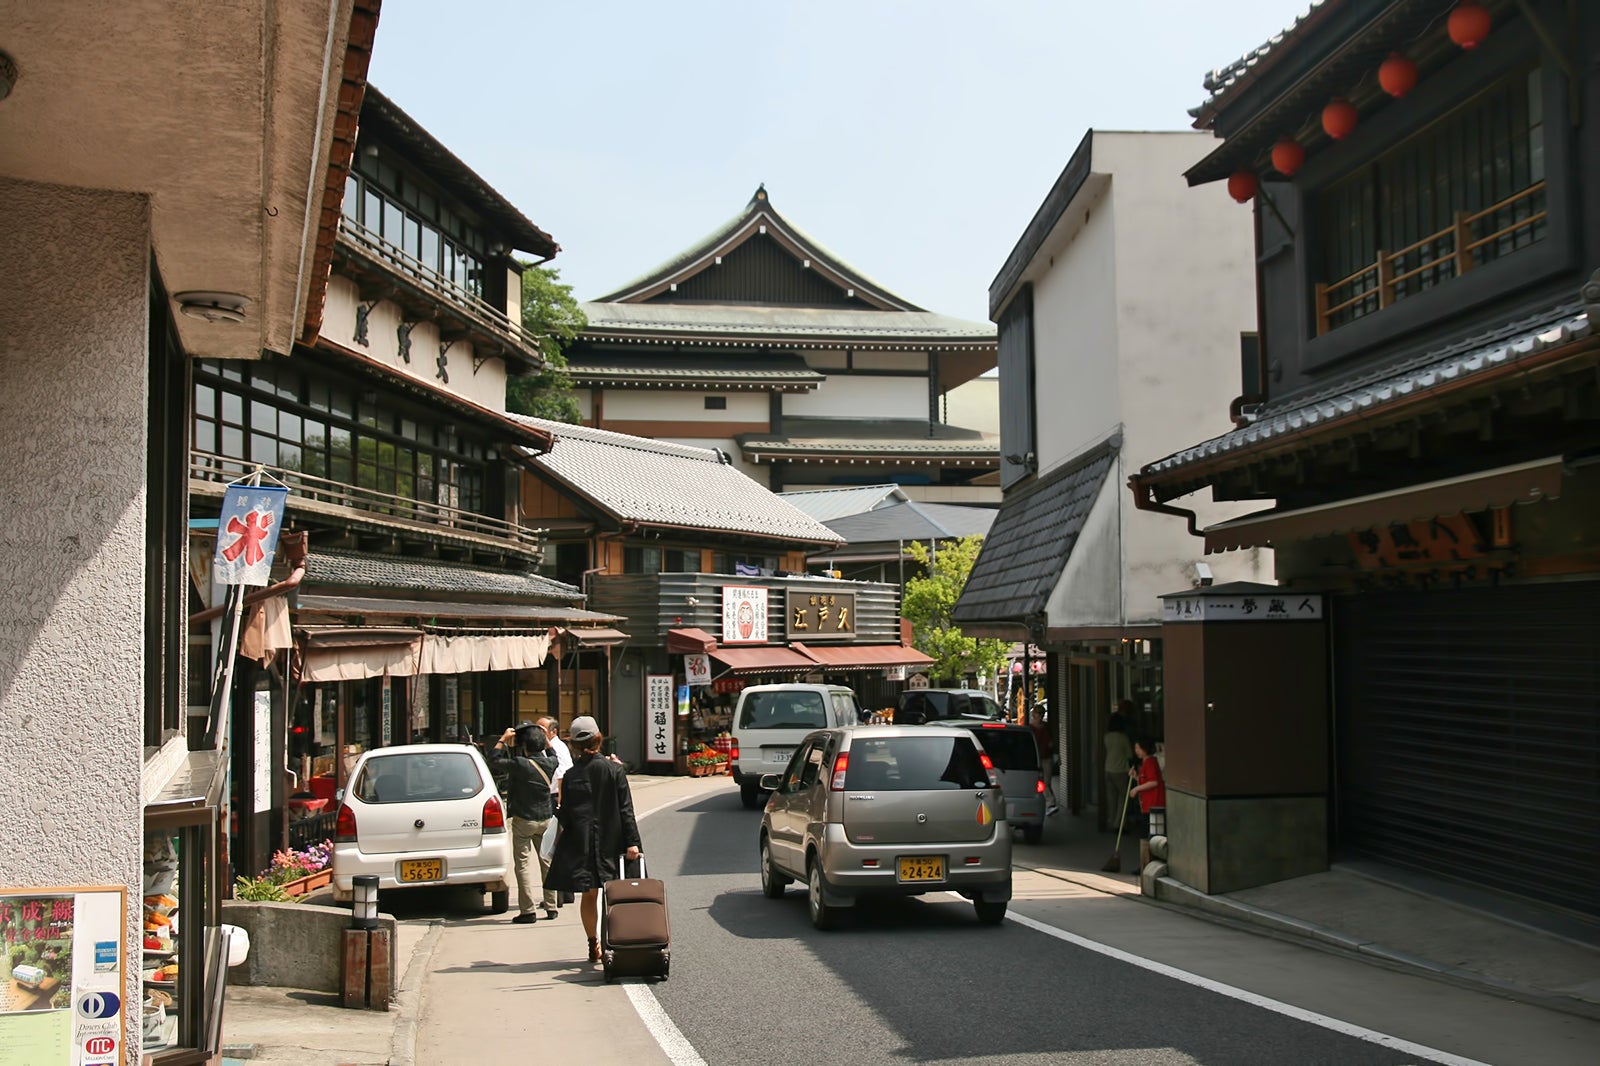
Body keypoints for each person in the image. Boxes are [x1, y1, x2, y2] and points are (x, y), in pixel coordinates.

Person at [544, 715, 641, 964]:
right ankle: (617, 940)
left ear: (574, 745)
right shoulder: (614, 770)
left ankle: (593, 944)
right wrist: (633, 843)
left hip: (582, 844)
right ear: (599, 739)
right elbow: (625, 809)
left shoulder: (573, 776)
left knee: (589, 895)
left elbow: (565, 815)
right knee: (615, 894)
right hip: (613, 841)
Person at [489, 723, 560, 923]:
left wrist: (503, 739)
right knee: (547, 862)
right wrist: (546, 740)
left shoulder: (520, 764)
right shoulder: (551, 763)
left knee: (522, 865)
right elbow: (553, 753)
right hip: (545, 819)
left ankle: (528, 910)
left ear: (525, 746)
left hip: (524, 820)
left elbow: (493, 760)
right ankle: (551, 906)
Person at [1128, 735, 1166, 873]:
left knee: (1149, 834)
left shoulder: (1150, 762)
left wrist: (1136, 789)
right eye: (1135, 748)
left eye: (1138, 747)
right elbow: (1146, 781)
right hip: (1147, 804)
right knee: (1146, 833)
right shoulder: (1145, 763)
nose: (1136, 750)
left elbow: (1154, 782)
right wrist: (1136, 778)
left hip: (1153, 805)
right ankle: (1145, 863)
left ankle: (1147, 864)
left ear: (1145, 748)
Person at [1102, 703, 1135, 833]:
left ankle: (1111, 820)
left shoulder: (1107, 737)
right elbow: (1129, 754)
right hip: (1120, 770)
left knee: (1111, 798)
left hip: (1108, 768)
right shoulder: (1123, 737)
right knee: (1123, 798)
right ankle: (1119, 824)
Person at [1027, 708, 1059, 815]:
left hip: (1047, 758)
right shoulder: (1030, 728)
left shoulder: (1046, 727)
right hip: (1037, 758)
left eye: (1041, 714)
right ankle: (1050, 803)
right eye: (1036, 714)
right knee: (1040, 782)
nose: (1038, 716)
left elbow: (1052, 742)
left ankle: (1050, 804)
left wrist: (1055, 754)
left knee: (1046, 782)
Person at [538, 715, 573, 784]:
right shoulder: (542, 746)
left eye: (542, 730)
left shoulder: (558, 747)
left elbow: (560, 775)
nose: (538, 732)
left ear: (553, 732)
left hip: (555, 793)